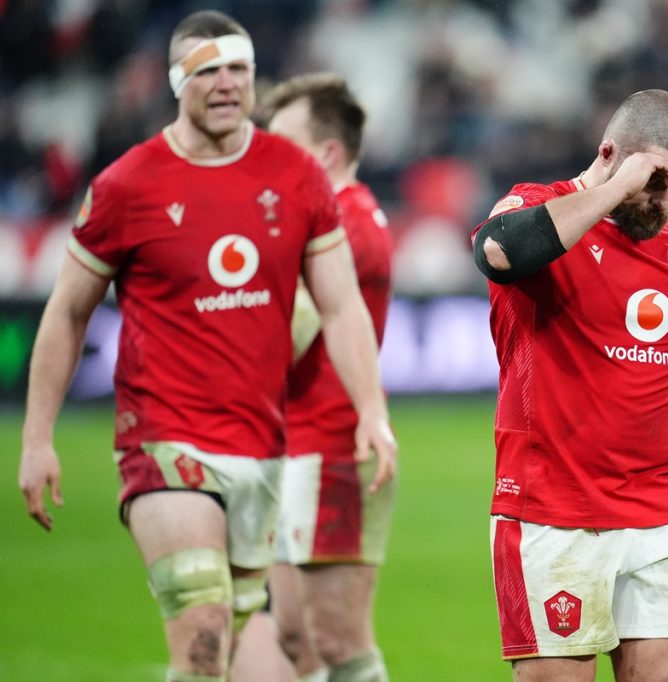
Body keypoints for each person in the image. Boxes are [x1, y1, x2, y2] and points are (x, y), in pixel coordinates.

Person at [16, 11, 397, 682]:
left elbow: (340, 307)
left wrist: (371, 408)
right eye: (206, 70)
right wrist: (37, 437)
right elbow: (67, 312)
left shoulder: (296, 175)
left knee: (239, 658)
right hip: (163, 443)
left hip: (261, 450)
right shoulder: (128, 185)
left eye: (239, 69)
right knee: (201, 619)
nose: (226, 83)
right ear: (174, 82)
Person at [471, 89, 668, 682]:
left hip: (666, 517)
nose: (664, 200)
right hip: (550, 513)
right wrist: (618, 188)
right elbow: (498, 253)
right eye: (655, 179)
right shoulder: (535, 206)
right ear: (609, 152)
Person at [235, 73, 396, 682]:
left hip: (333, 448)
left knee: (336, 639)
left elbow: (282, 337)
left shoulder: (342, 223)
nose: (268, 156)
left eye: (283, 142)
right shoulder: (340, 218)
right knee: (296, 637)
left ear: (326, 152)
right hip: (295, 446)